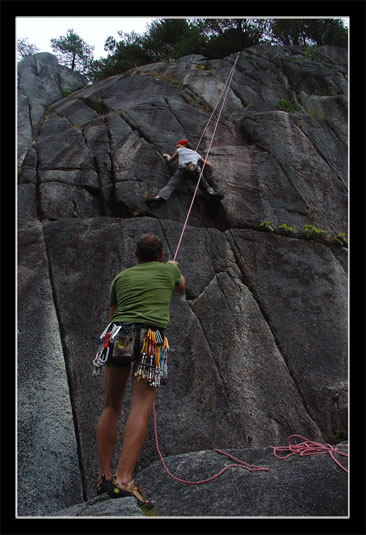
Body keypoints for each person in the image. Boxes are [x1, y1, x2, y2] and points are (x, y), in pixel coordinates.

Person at [95, 233, 185, 509]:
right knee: (141, 408)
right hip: (150, 338)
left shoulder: (120, 278)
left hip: (120, 334)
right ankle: (124, 480)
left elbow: (113, 314)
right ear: (159, 255)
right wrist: (174, 266)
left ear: (136, 255)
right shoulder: (168, 269)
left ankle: (104, 478)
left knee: (111, 405)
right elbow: (181, 287)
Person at [146, 139, 224, 205]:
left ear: (183, 145)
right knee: (206, 186)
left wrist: (167, 156)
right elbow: (208, 164)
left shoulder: (180, 150)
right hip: (195, 170)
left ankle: (160, 198)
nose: (177, 147)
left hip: (183, 170)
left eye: (178, 146)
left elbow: (170, 161)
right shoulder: (196, 153)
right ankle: (211, 194)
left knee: (171, 185)